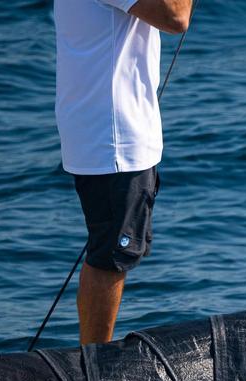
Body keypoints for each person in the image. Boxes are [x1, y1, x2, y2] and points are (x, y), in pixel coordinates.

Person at [54, 0, 193, 345]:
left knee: (110, 252)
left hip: (104, 132)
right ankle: (94, 370)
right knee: (110, 258)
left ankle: (92, 364)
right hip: (114, 138)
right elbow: (176, 17)